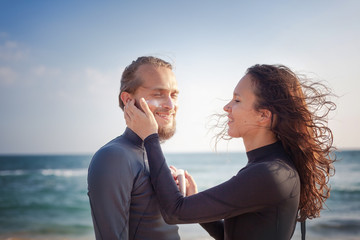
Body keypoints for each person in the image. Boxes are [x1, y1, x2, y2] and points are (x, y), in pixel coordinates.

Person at [124, 64, 336, 240]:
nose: (227, 107)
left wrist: (150, 137)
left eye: (237, 100)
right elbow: (230, 235)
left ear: (263, 115)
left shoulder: (270, 173)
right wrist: (195, 200)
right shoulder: (271, 167)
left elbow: (174, 212)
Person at [87, 56, 181, 239]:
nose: (171, 105)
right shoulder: (114, 157)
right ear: (128, 99)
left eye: (174, 95)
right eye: (158, 94)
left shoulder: (149, 153)